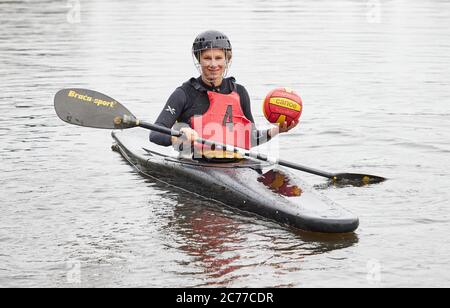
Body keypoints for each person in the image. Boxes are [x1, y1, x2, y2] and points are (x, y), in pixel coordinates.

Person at [150, 30, 297, 159]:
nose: (213, 64)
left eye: (219, 58)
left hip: (237, 165)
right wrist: (177, 135)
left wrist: (276, 130)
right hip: (196, 165)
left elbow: (250, 139)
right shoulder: (183, 94)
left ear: (227, 60)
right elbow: (155, 134)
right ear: (198, 59)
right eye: (207, 58)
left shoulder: (240, 92)